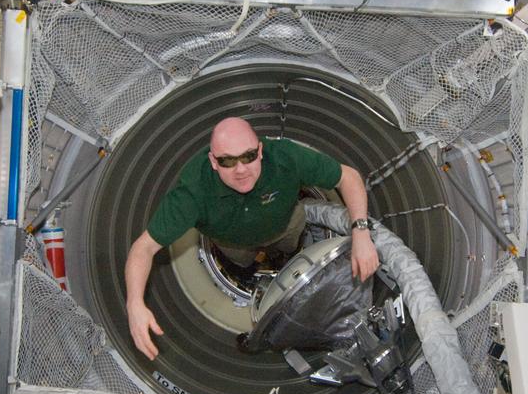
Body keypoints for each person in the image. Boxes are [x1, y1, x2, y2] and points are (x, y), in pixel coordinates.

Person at [125, 117, 380, 360]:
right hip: (233, 243)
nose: (240, 170)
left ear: (260, 150)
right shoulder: (194, 191)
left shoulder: (285, 158)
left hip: (286, 227)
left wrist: (360, 232)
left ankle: (287, 257)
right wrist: (135, 303)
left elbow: (348, 177)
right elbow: (143, 248)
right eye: (227, 161)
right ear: (213, 161)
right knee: (241, 261)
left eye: (248, 157)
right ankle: (248, 269)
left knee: (290, 245)